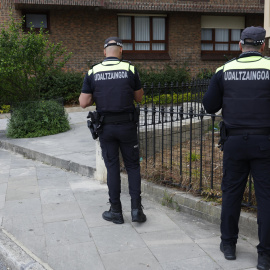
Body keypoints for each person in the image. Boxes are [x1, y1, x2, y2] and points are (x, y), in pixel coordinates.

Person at [203, 26, 270, 270]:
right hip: (265, 143)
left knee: (231, 194)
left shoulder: (224, 70)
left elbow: (209, 106)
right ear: (263, 46)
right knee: (266, 199)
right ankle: (265, 256)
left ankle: (229, 245)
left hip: (233, 142)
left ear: (240, 45)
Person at [79, 37, 146, 224]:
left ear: (104, 52)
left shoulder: (93, 71)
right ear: (121, 51)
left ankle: (116, 211)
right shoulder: (130, 69)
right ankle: (136, 211)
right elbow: (139, 98)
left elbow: (83, 102)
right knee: (132, 166)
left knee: (112, 167)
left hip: (106, 128)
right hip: (127, 126)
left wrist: (96, 97)